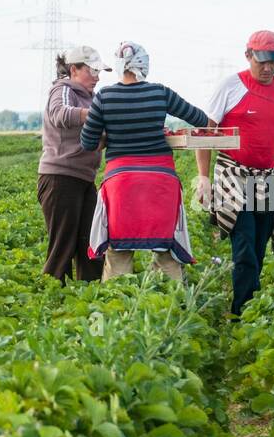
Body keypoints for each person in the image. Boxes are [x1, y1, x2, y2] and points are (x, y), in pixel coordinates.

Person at [195, 29, 274, 317]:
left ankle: (251, 304)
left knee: (258, 247)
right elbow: (206, 133)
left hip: (269, 178)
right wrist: (204, 179)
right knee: (244, 245)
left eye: (273, 61)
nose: (268, 67)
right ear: (248, 56)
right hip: (234, 176)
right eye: (261, 61)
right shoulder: (230, 86)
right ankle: (242, 312)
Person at [82, 42, 210, 283]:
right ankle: (173, 306)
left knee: (118, 258)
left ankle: (117, 313)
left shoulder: (105, 97)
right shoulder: (160, 93)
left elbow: (88, 142)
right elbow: (200, 118)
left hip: (121, 185)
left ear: (119, 67)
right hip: (160, 183)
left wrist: (114, 133)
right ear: (144, 64)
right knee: (167, 256)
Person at [38, 45, 110, 283]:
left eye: (99, 72)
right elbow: (60, 113)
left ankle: (90, 295)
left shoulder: (90, 98)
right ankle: (51, 299)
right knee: (62, 246)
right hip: (60, 178)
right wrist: (94, 114)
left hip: (83, 179)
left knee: (90, 243)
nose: (98, 77)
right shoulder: (63, 90)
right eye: (92, 70)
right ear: (74, 69)